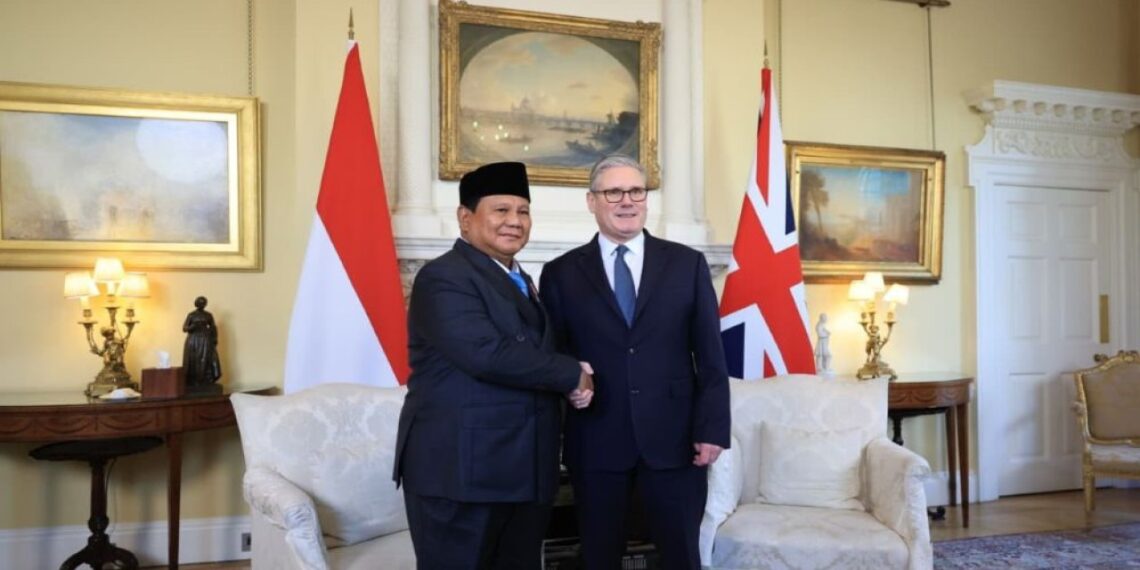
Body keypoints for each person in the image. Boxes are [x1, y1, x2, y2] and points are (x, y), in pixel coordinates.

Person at [393, 161, 594, 568]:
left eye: (523, 211)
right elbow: (486, 354)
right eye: (501, 210)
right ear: (465, 219)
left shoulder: (517, 277)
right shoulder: (443, 277)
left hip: (520, 471)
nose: (514, 222)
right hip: (461, 474)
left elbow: (528, 349)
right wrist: (571, 373)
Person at [539, 154, 730, 569]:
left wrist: (712, 429)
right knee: (598, 557)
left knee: (681, 556)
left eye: (636, 191)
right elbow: (553, 354)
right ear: (592, 201)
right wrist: (571, 381)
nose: (627, 201)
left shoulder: (687, 264)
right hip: (596, 442)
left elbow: (712, 356)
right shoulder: (560, 273)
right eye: (613, 192)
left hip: (676, 443)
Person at [182, 296, 221, 386]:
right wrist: (192, 327)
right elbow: (184, 328)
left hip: (205, 339)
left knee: (205, 359)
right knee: (193, 359)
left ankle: (205, 380)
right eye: (200, 302)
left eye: (203, 302)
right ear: (196, 303)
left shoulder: (208, 315)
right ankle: (193, 380)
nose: (202, 304)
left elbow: (213, 327)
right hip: (194, 340)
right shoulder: (191, 315)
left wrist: (215, 338)